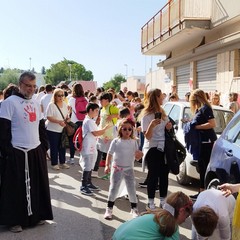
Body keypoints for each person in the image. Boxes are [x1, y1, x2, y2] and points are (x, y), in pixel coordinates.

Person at [0, 71, 53, 232]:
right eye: (28, 86)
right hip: (16, 151)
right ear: (20, 85)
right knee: (16, 188)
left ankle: (36, 216)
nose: (31, 89)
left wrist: (44, 147)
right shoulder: (9, 102)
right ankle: (14, 221)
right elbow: (3, 130)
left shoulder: (37, 103)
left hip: (35, 150)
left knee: (36, 186)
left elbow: (40, 127)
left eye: (33, 86)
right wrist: (7, 151)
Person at [139, 88, 172, 210]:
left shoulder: (163, 112)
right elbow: (147, 136)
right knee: (153, 175)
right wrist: (152, 125)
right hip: (152, 148)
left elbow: (168, 128)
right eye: (161, 96)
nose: (163, 97)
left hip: (164, 148)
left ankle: (163, 201)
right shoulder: (146, 116)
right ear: (156, 98)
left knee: (164, 175)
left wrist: (168, 126)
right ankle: (150, 201)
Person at [104, 118, 143, 220]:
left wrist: (140, 155)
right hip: (117, 169)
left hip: (129, 169)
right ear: (120, 129)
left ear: (132, 130)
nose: (127, 131)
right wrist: (107, 165)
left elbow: (137, 156)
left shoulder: (134, 142)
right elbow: (109, 153)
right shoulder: (116, 141)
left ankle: (134, 209)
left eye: (129, 129)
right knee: (113, 189)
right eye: (124, 129)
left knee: (131, 189)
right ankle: (109, 208)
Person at [112, 191, 193, 239]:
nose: (185, 220)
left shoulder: (155, 214)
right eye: (186, 216)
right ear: (181, 211)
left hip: (116, 236)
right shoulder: (172, 225)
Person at [186, 89, 217, 200]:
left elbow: (212, 124)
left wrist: (197, 127)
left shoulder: (206, 108)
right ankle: (202, 192)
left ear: (197, 98)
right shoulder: (199, 109)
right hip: (201, 143)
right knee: (202, 168)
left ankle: (204, 193)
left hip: (206, 143)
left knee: (204, 168)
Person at [79, 102, 110, 195]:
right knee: (87, 165)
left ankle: (88, 183)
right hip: (88, 146)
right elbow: (96, 133)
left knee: (91, 164)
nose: (97, 112)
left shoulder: (90, 120)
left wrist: (102, 134)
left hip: (91, 145)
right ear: (90, 110)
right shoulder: (88, 121)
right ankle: (83, 185)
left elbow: (96, 133)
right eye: (96, 110)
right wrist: (105, 129)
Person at [93, 92, 119, 174]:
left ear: (107, 100)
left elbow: (120, 115)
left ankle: (111, 172)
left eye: (101, 100)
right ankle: (95, 171)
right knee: (98, 152)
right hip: (101, 134)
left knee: (110, 154)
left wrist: (113, 116)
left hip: (110, 135)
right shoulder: (102, 109)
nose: (100, 102)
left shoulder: (112, 107)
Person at [46, 88, 70, 170]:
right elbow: (48, 117)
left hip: (62, 129)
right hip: (52, 130)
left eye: (62, 95)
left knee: (62, 146)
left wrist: (68, 119)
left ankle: (63, 162)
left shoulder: (65, 104)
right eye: (59, 95)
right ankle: (54, 163)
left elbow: (66, 116)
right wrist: (58, 121)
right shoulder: (51, 105)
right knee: (54, 147)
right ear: (55, 96)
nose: (61, 97)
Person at [67, 83, 88, 164]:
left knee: (73, 140)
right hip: (84, 122)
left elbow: (69, 110)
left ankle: (72, 159)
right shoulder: (85, 99)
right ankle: (82, 158)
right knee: (82, 140)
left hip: (74, 122)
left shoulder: (71, 99)